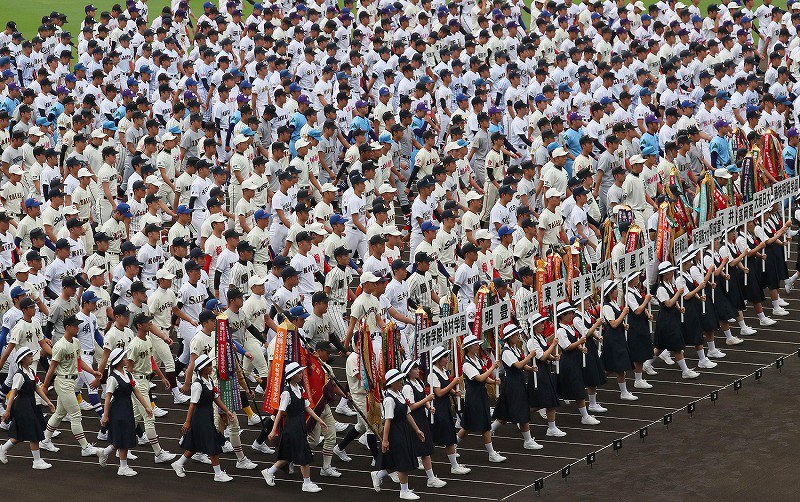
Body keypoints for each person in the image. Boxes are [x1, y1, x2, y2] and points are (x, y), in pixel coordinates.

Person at [39, 315, 104, 458]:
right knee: (76, 415)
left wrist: (92, 371)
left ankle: (44, 439)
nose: (77, 327)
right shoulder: (60, 346)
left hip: (71, 381)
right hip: (63, 382)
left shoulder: (76, 342)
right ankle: (85, 447)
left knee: (59, 413)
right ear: (67, 327)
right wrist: (45, 385)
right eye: (75, 325)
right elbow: (51, 368)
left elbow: (79, 361)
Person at [262, 361, 327, 492]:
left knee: (288, 455)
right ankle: (306, 483)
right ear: (292, 376)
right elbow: (280, 412)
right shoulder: (286, 393)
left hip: (299, 425)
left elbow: (307, 407)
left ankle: (269, 471)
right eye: (299, 372)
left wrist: (319, 420)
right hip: (292, 427)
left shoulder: (300, 389)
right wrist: (274, 429)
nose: (302, 374)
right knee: (303, 454)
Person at [171, 354, 236, 482]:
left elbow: (216, 398)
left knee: (195, 444)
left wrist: (227, 410)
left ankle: (178, 464)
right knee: (212, 443)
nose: (211, 367)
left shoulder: (210, 381)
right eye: (209, 366)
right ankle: (218, 474)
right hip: (200, 418)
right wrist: (187, 422)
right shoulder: (197, 385)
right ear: (202, 369)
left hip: (207, 416)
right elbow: (192, 404)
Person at [370, 367, 427, 500]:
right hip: (395, 433)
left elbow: (407, 414)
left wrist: (417, 430)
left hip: (403, 430)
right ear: (391, 383)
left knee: (398, 461)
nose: (401, 382)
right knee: (402, 462)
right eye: (398, 380)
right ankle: (404, 491)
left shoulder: (399, 394)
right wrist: (385, 440)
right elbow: (388, 421)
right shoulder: (389, 400)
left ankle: (378, 475)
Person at [98, 348, 153, 476]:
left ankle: (104, 452)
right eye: (124, 358)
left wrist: (147, 406)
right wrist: (105, 415)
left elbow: (136, 391)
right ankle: (122, 467)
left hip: (127, 407)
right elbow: (108, 397)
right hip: (118, 409)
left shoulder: (128, 374)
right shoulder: (113, 378)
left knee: (124, 435)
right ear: (118, 361)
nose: (127, 359)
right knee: (123, 436)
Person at [0, 347, 55, 469]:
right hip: (23, 405)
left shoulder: (31, 372)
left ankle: (2, 449)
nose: (32, 357)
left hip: (31, 403)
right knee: (34, 432)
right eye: (30, 356)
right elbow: (13, 393)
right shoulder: (19, 375)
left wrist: (48, 401)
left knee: (21, 434)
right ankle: (37, 461)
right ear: (23, 359)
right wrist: (8, 410)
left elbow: (37, 388)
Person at [490, 324, 542, 450]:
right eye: (516, 335)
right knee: (522, 411)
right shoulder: (506, 351)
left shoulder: (514, 349)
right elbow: (518, 365)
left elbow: (521, 365)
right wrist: (530, 357)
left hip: (517, 382)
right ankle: (528, 441)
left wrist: (530, 368)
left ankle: (489, 430)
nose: (518, 337)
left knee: (504, 414)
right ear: (510, 337)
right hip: (512, 384)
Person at [457, 334, 506, 463]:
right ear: (468, 348)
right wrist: (492, 368)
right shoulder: (467, 364)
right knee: (485, 425)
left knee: (468, 426)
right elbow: (479, 378)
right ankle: (491, 453)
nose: (478, 346)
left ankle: (453, 445)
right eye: (475, 344)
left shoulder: (477, 359)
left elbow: (484, 376)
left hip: (481, 394)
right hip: (474, 397)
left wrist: (493, 381)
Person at [554, 302, 600, 425]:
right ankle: (585, 416)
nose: (571, 315)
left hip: (575, 360)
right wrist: (580, 342)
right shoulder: (560, 330)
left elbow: (573, 342)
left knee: (576, 388)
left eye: (571, 313)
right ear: (561, 316)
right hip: (568, 362)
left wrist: (581, 347)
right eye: (568, 314)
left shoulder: (569, 327)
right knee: (579, 390)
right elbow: (566, 346)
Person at [426, 346, 471, 474]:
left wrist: (454, 392)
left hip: (445, 407)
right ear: (438, 360)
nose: (447, 359)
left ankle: (454, 465)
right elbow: (438, 393)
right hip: (438, 409)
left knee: (447, 436)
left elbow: (446, 387)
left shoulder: (444, 371)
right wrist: (452, 384)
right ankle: (453, 466)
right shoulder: (432, 374)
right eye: (445, 357)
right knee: (441, 437)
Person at [653, 261, 700, 379]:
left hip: (673, 317)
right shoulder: (661, 288)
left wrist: (679, 308)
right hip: (666, 320)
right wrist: (678, 293)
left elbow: (674, 302)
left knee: (660, 346)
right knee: (676, 345)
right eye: (670, 271)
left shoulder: (670, 284)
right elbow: (668, 303)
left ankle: (646, 364)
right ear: (665, 274)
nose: (673, 273)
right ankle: (685, 371)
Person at [525, 313, 565, 437]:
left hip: (545, 370)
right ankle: (523, 416)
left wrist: (554, 357)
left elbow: (546, 353)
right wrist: (553, 345)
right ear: (535, 325)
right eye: (541, 323)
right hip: (538, 373)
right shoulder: (531, 341)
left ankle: (551, 427)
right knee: (541, 402)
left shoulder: (540, 337)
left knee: (548, 400)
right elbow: (541, 356)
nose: (544, 325)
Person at [600, 280, 637, 401]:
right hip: (613, 339)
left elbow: (618, 323)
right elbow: (614, 323)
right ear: (610, 292)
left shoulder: (614, 303)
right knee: (620, 367)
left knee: (613, 367)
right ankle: (624, 392)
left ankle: (595, 378)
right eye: (615, 289)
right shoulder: (606, 306)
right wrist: (624, 314)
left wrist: (624, 325)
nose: (617, 291)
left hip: (618, 337)